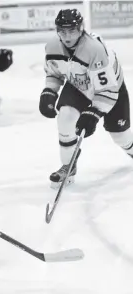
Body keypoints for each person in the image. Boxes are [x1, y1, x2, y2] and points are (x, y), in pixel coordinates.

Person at [39, 9, 132, 188]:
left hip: (111, 89)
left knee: (121, 137)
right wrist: (49, 92)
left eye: (72, 30)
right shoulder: (52, 46)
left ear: (81, 29)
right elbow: (54, 73)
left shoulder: (94, 50)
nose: (67, 36)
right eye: (62, 30)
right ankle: (68, 167)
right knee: (65, 117)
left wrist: (94, 113)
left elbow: (108, 90)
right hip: (79, 86)